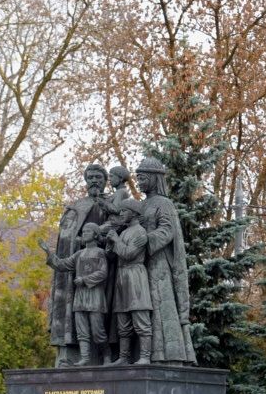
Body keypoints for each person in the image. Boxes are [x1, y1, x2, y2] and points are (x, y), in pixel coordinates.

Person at [45, 164, 110, 366]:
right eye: (90, 177)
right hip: (76, 267)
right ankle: (73, 354)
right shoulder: (76, 206)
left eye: (98, 177)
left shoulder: (111, 204)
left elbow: (118, 225)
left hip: (103, 269)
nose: (94, 180)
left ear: (105, 180)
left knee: (99, 323)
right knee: (76, 317)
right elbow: (65, 236)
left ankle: (106, 356)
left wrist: (100, 233)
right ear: (85, 180)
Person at [135, 156, 195, 365]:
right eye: (137, 178)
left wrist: (141, 240)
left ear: (154, 178)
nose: (139, 182)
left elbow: (167, 230)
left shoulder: (164, 203)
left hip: (158, 263)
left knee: (162, 307)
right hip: (139, 263)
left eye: (142, 178)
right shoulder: (141, 205)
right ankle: (144, 354)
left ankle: (168, 355)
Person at [107, 198, 152, 365]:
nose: (121, 214)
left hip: (135, 275)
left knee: (140, 315)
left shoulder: (139, 232)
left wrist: (117, 241)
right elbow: (113, 256)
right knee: (122, 318)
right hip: (121, 275)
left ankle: (145, 357)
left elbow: (129, 254)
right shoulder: (124, 232)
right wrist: (110, 244)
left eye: (123, 211)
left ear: (133, 213)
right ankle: (124, 357)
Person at [70, 223, 110, 367]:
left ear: (95, 234)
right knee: (82, 330)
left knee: (97, 331)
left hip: (95, 296)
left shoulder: (100, 252)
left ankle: (106, 356)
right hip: (80, 296)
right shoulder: (79, 254)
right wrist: (50, 257)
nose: (84, 233)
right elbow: (64, 264)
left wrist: (85, 280)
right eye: (84, 231)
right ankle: (85, 358)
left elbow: (103, 273)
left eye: (88, 231)